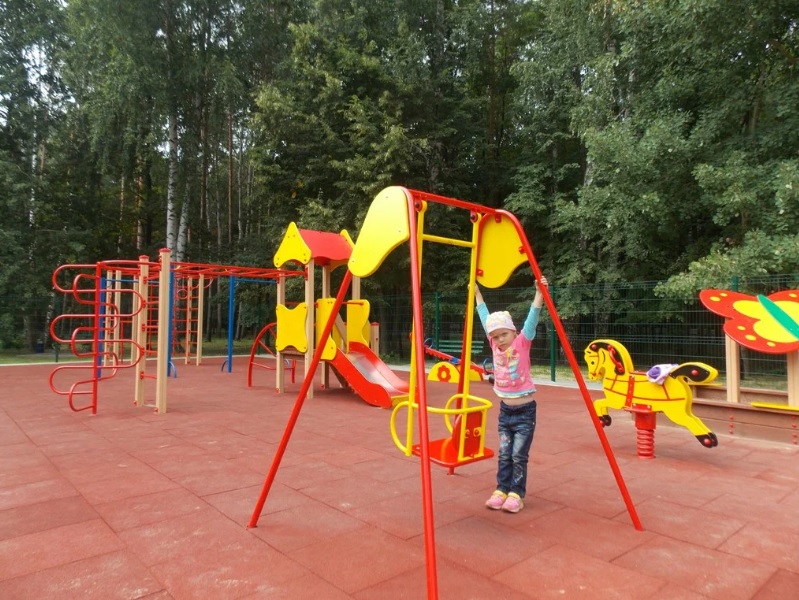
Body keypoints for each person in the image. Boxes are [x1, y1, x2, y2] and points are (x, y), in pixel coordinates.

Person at [473, 276, 548, 513]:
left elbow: (532, 317)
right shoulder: (494, 346)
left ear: (513, 332)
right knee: (504, 454)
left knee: (518, 456)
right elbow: (485, 318)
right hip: (506, 411)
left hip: (525, 412)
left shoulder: (522, 342)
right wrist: (477, 294)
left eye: (503, 335)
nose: (499, 340)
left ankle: (516, 493)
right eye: (495, 337)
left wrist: (539, 293)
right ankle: (501, 489)